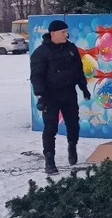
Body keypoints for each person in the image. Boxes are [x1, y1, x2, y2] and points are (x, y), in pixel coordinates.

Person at [30, 20, 91, 174]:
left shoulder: (71, 48)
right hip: (50, 95)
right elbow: (36, 76)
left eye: (66, 31)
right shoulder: (41, 53)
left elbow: (79, 70)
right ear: (53, 33)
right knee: (50, 128)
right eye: (63, 32)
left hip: (69, 93)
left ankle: (72, 145)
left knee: (73, 124)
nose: (66, 34)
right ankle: (49, 160)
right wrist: (40, 96)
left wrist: (83, 88)